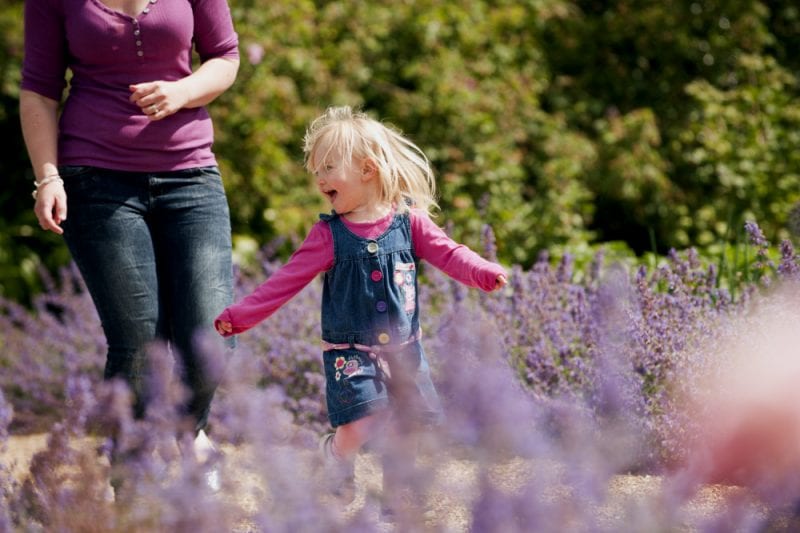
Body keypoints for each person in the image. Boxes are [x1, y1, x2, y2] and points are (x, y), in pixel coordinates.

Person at [214, 106, 508, 508]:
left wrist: (483, 271)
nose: (319, 179)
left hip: (405, 350)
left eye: (329, 168)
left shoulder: (410, 222)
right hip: (349, 353)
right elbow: (283, 282)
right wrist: (241, 316)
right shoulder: (327, 235)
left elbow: (450, 253)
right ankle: (334, 457)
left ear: (367, 169)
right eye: (316, 170)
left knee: (408, 426)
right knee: (359, 424)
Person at [19, 0, 240, 469]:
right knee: (139, 342)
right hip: (96, 179)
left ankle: (188, 430)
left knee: (213, 333)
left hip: (191, 176)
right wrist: (48, 177)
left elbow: (225, 57)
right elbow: (38, 91)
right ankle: (135, 481)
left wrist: (182, 92)